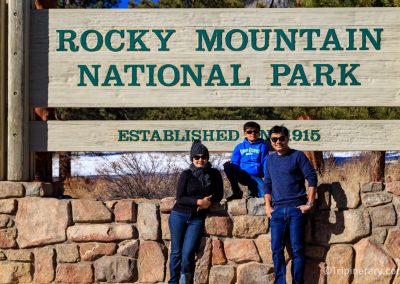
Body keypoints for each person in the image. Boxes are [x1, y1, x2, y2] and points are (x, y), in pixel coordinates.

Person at [264, 125, 317, 284]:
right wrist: (268, 206)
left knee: (297, 250)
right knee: (276, 250)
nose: (278, 141)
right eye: (274, 139)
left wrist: (310, 203)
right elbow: (267, 183)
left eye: (281, 138)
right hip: (277, 211)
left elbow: (312, 177)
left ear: (287, 139)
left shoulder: (298, 156)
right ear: (271, 141)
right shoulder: (270, 159)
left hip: (296, 210)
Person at [168, 140, 223, 284]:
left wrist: (208, 202)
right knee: (176, 252)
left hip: (196, 219)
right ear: (192, 158)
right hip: (179, 215)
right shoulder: (186, 174)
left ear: (207, 158)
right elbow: (180, 198)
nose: (200, 160)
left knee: (187, 254)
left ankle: (185, 281)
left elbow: (219, 194)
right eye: (196, 157)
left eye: (203, 157)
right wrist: (198, 202)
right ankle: (173, 281)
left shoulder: (214, 174)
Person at [224, 121, 269, 200]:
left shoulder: (262, 146)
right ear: (245, 133)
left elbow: (265, 162)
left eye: (255, 131)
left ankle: (253, 192)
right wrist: (235, 170)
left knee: (264, 196)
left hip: (255, 175)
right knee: (227, 166)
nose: (252, 134)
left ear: (259, 133)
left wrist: (265, 176)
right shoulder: (239, 147)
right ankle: (236, 191)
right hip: (242, 174)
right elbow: (235, 162)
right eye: (249, 132)